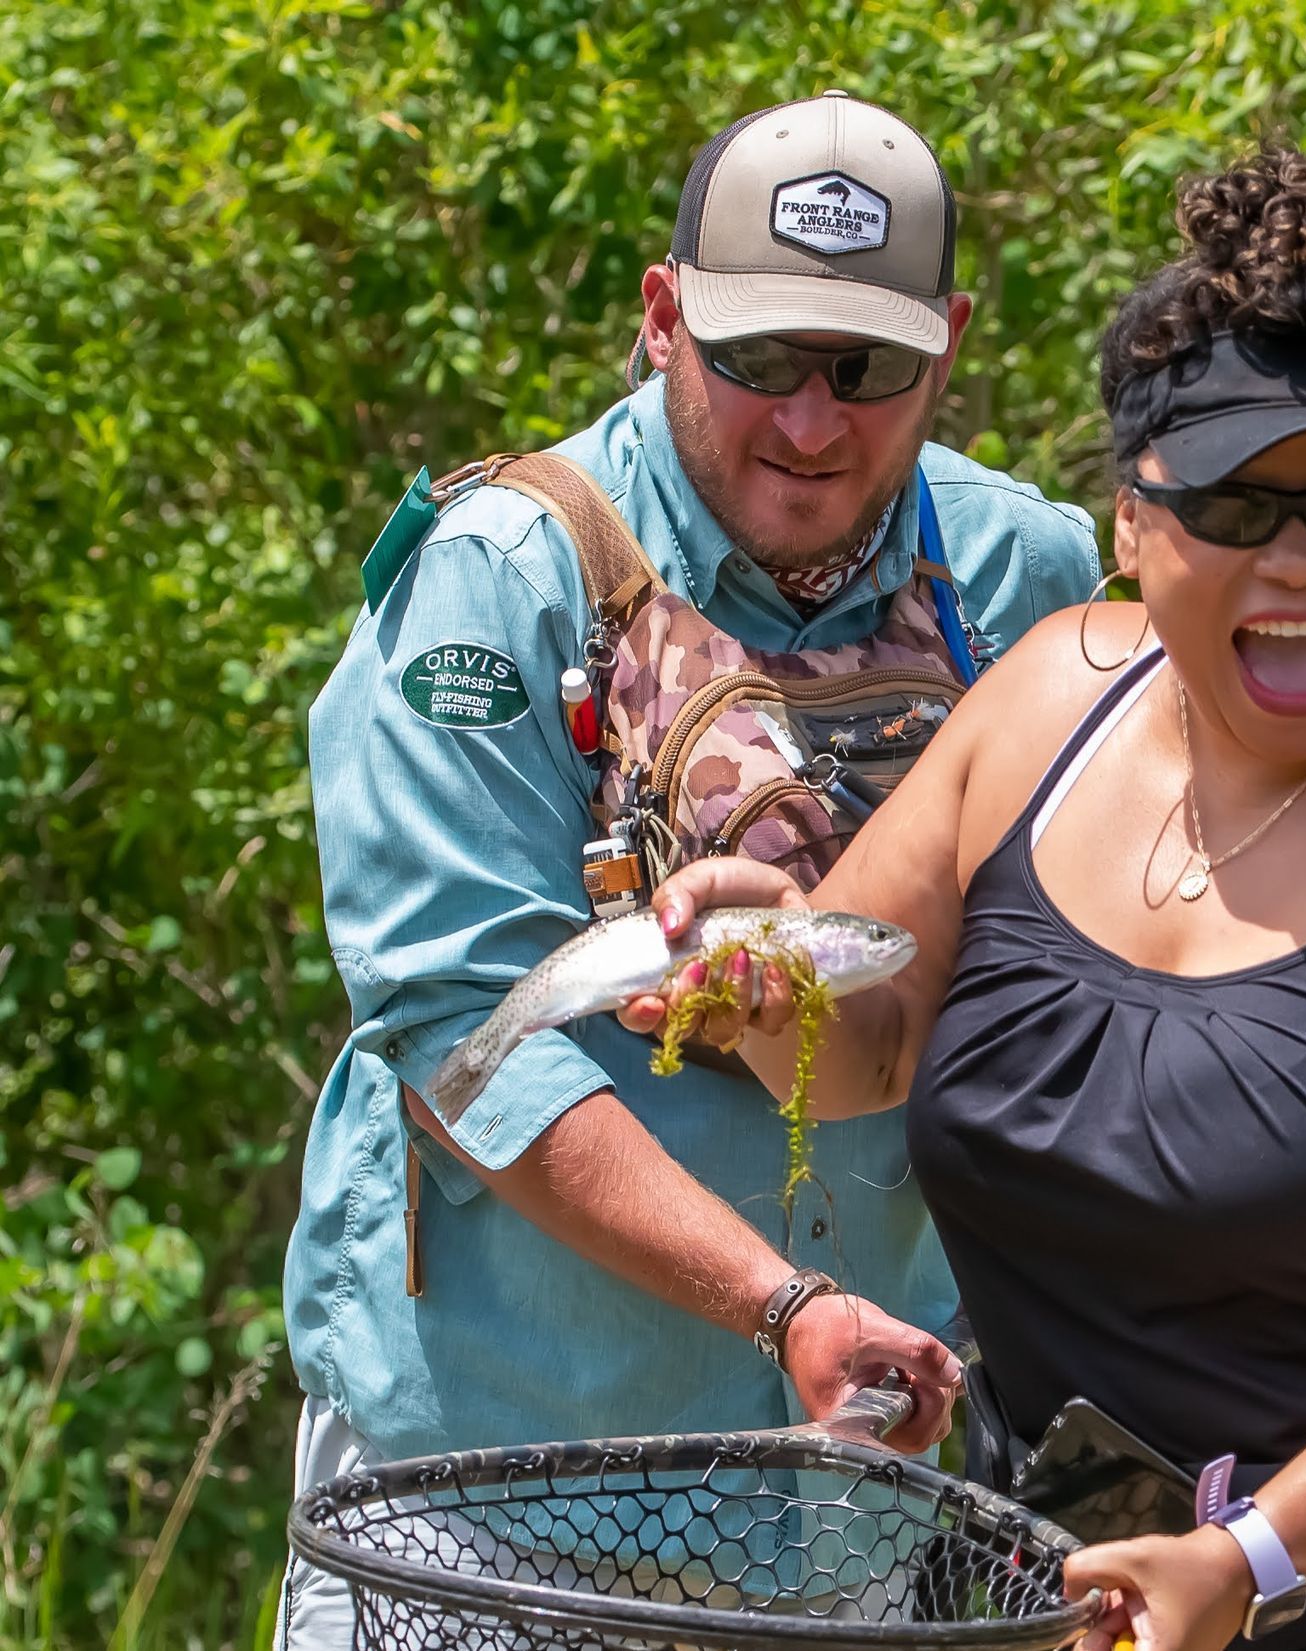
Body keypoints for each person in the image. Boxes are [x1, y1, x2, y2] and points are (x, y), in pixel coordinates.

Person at [627, 139, 1306, 1651]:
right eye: (1229, 503)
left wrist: (1256, 1557)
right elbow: (867, 1035)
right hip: (1089, 1580)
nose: (1293, 560)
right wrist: (765, 979)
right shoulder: (1041, 706)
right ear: (1132, 527)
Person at [277, 92, 1099, 1645]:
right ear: (663, 318)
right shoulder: (498, 583)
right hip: (480, 1500)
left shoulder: (1026, 581)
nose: (809, 421)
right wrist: (779, 1307)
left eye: (866, 370)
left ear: (951, 342)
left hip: (852, 1507)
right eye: (758, 359)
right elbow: (461, 1035)